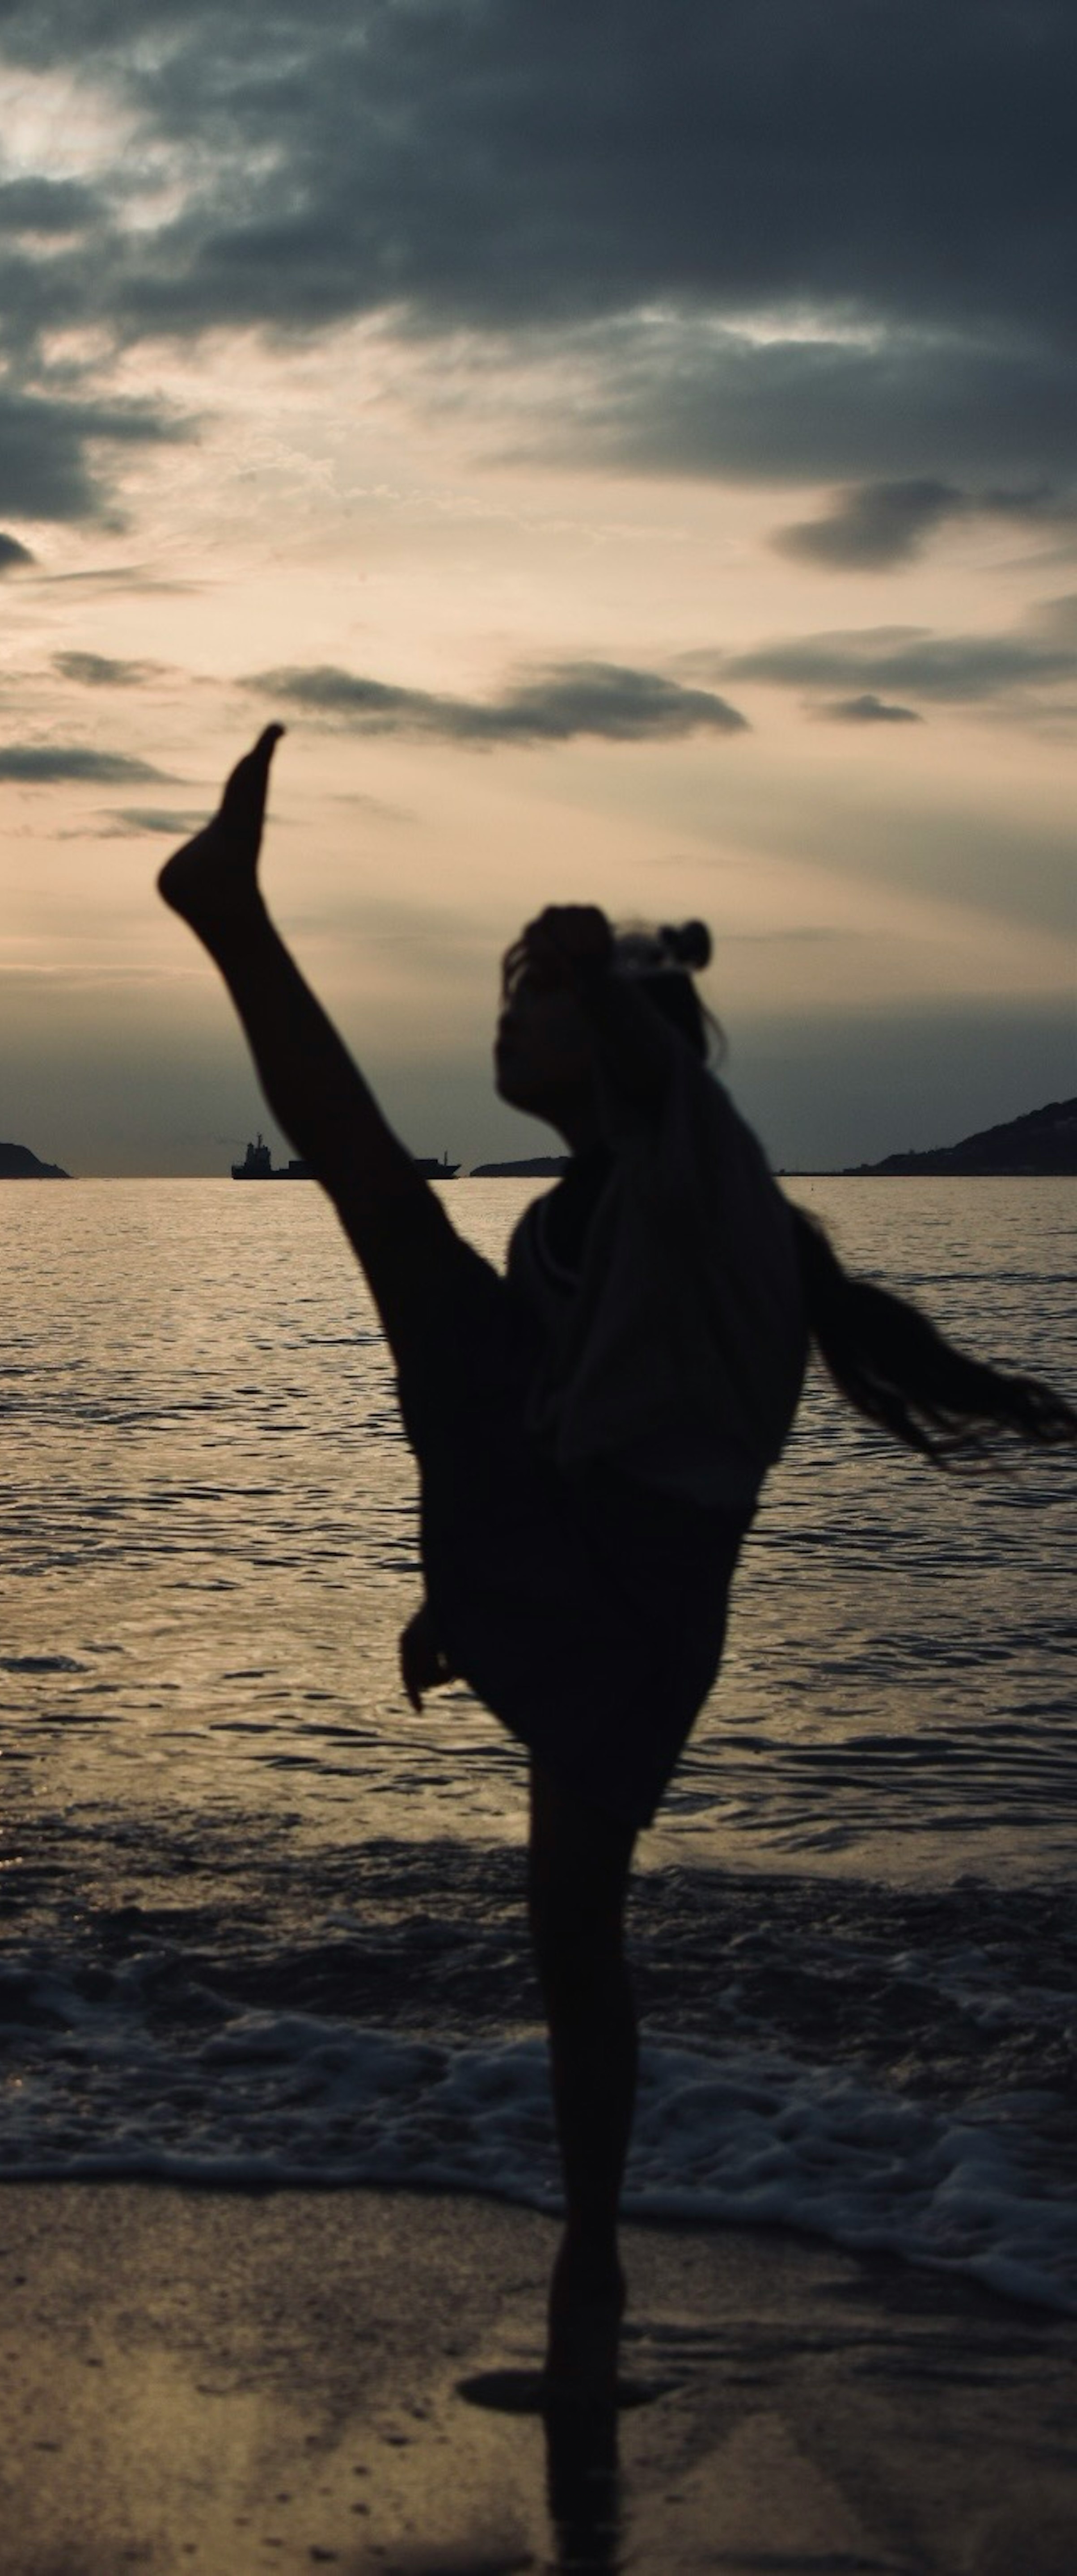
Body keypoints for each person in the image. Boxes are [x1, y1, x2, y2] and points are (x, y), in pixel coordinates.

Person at [158, 724, 1075, 2407]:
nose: (510, 1020)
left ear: (623, 1038)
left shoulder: (699, 1182)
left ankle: (230, 915)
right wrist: (468, 1591)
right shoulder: (567, 1219)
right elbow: (525, 1434)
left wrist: (631, 969)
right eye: (508, 992)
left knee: (380, 1210)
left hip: (645, 1604)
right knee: (570, 1929)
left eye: (538, 997)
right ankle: (594, 2266)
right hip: (579, 1569)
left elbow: (658, 1103)